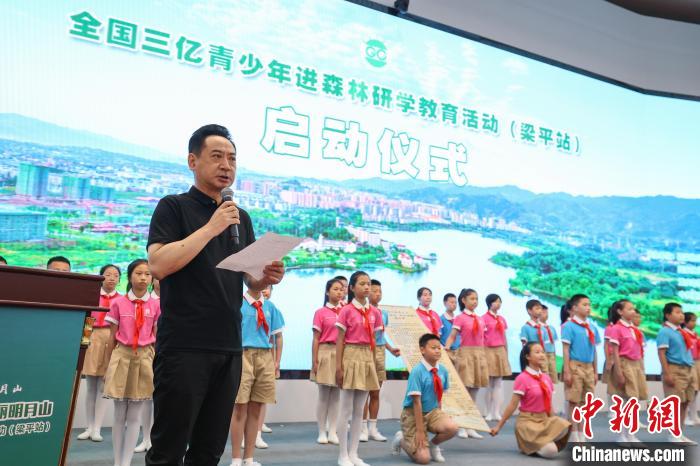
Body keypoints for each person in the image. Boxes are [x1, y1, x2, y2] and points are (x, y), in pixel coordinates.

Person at [145, 124, 284, 466]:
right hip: (184, 346)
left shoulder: (240, 218)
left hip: (229, 347)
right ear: (192, 161)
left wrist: (265, 277)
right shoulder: (173, 207)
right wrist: (211, 228)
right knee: (168, 449)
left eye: (232, 159)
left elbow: (249, 281)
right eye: (217, 156)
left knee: (209, 450)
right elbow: (158, 264)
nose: (226, 165)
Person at [103, 259, 160, 466]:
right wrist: (107, 367)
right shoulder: (118, 303)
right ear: (129, 276)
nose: (143, 278)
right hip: (122, 356)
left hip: (145, 358)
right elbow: (111, 338)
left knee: (135, 415)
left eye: (147, 274)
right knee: (119, 414)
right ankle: (117, 461)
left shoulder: (156, 305)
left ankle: (126, 462)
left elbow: (157, 337)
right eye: (138, 273)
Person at [229, 288, 285, 466]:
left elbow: (277, 336)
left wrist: (277, 362)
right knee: (239, 407)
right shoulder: (237, 303)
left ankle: (249, 458)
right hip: (242, 355)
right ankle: (236, 458)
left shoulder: (270, 307)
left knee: (256, 408)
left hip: (265, 356)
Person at [490, 342, 571, 458]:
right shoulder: (522, 378)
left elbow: (549, 405)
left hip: (543, 420)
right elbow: (512, 405)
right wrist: (498, 426)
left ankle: (535, 444)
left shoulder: (546, 378)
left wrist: (553, 422)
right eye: (537, 352)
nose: (542, 355)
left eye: (542, 352)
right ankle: (529, 444)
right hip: (528, 423)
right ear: (528, 357)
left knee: (564, 427)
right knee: (551, 451)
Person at [335, 271, 382, 466]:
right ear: (352, 288)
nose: (366, 287)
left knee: (359, 410)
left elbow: (375, 341)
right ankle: (342, 455)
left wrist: (374, 365)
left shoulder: (375, 313)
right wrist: (339, 367)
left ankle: (354, 453)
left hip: (367, 357)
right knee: (345, 409)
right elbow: (339, 340)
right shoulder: (346, 310)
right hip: (350, 355)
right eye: (362, 283)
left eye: (368, 283)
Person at [391, 333, 458, 464]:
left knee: (452, 428)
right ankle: (401, 440)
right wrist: (420, 431)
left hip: (432, 412)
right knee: (423, 459)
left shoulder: (443, 371)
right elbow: (416, 403)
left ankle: (433, 445)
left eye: (439, 348)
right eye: (433, 348)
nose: (437, 351)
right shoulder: (417, 371)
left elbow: (439, 396)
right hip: (413, 414)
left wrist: (440, 415)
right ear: (422, 350)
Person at [78, 264, 121, 443]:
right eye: (108, 274)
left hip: (111, 338)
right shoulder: (92, 295)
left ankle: (97, 428)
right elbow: (87, 319)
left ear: (119, 279)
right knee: (90, 386)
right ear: (101, 276)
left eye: (116, 275)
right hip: (92, 337)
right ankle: (88, 426)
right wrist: (84, 342)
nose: (111, 278)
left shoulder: (121, 299)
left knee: (103, 387)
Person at [445, 288, 487, 439]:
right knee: (464, 392)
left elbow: (483, 338)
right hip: (466, 355)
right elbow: (452, 336)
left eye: (476, 299)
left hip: (479, 355)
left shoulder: (480, 319)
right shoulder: (460, 318)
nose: (475, 301)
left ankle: (470, 426)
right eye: (472, 299)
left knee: (474, 392)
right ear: (463, 301)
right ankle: (461, 426)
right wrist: (446, 348)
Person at [361, 279, 400, 442]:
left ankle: (373, 428)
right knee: (363, 392)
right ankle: (362, 428)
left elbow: (381, 336)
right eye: (374, 291)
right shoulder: (362, 311)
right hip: (365, 351)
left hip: (380, 351)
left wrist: (391, 350)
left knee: (375, 391)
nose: (378, 294)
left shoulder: (383, 313)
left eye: (380, 291)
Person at [561, 294, 600, 443]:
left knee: (585, 402)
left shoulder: (592, 327)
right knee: (574, 401)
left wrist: (596, 371)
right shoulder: (569, 326)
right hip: (575, 366)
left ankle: (582, 432)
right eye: (584, 305)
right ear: (575, 308)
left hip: (589, 368)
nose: (588, 307)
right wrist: (567, 371)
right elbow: (566, 350)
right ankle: (573, 433)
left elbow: (594, 350)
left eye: (589, 305)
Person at [606, 299, 647, 442]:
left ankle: (631, 435)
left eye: (633, 309)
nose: (633, 312)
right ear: (620, 312)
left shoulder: (634, 330)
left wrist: (641, 368)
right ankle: (623, 435)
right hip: (625, 364)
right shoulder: (616, 328)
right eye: (629, 309)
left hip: (636, 365)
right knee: (626, 401)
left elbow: (639, 351)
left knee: (634, 401)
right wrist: (618, 371)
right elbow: (615, 352)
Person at [657, 302, 697, 444]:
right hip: (674, 369)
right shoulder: (665, 331)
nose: (681, 315)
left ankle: (679, 433)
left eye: (682, 312)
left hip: (688, 369)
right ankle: (673, 435)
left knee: (685, 402)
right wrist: (667, 373)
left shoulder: (682, 331)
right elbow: (662, 353)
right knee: (675, 404)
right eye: (677, 312)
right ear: (668, 315)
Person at [311, 278, 344, 445]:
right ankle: (321, 431)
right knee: (324, 395)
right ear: (327, 291)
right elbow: (316, 338)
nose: (339, 292)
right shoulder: (320, 312)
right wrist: (314, 360)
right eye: (335, 289)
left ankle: (332, 431)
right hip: (325, 351)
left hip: (341, 354)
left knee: (336, 396)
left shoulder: (345, 311)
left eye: (341, 289)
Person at [135, 278, 160, 454]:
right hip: (150, 351)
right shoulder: (148, 302)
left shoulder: (177, 298)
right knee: (147, 397)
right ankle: (146, 438)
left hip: (172, 351)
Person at [482, 293, 510, 422]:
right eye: (496, 301)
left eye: (500, 301)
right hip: (488, 350)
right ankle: (488, 412)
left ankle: (497, 412)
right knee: (489, 383)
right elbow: (481, 338)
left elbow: (504, 337)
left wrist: (506, 352)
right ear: (490, 303)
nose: (498, 304)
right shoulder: (483, 318)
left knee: (498, 383)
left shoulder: (502, 319)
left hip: (500, 350)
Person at [683, 312, 700, 426]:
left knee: (696, 390)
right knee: (690, 390)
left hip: (697, 362)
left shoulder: (695, 334)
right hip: (689, 363)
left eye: (695, 320)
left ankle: (694, 415)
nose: (694, 323)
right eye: (692, 320)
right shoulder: (683, 333)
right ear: (685, 322)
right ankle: (686, 415)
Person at [439, 293, 460, 365]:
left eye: (455, 302)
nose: (454, 304)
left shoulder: (458, 319)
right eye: (451, 302)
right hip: (447, 352)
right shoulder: (440, 319)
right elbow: (438, 337)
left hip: (459, 352)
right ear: (445, 303)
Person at [539, 306, 559, 385]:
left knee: (553, 374)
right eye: (544, 312)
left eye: (547, 312)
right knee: (544, 375)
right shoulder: (537, 328)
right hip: (542, 354)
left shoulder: (551, 328)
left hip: (551, 354)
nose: (546, 314)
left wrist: (554, 355)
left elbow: (553, 343)